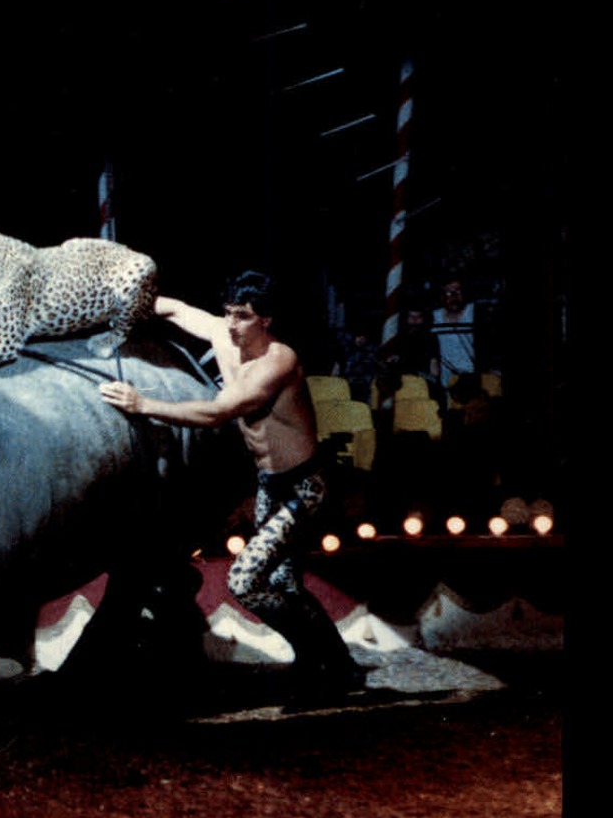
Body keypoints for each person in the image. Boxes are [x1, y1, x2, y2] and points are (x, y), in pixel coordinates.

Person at [99, 271, 365, 699]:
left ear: (266, 320)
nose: (231, 325)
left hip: (304, 489)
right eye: (227, 315)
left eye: (242, 317)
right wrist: (111, 308)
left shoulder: (279, 361)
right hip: (270, 485)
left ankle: (326, 658)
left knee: (245, 581)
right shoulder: (227, 338)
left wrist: (142, 403)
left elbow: (218, 412)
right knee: (285, 585)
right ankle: (334, 666)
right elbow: (173, 308)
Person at [430, 278, 477, 403]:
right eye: (449, 293)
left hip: (474, 378)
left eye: (458, 292)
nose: (454, 297)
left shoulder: (474, 312)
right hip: (448, 381)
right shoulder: (435, 317)